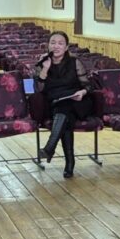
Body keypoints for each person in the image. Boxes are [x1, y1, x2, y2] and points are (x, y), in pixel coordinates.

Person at [34, 30, 93, 178]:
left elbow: (88, 86)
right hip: (54, 103)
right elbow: (39, 88)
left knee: (64, 109)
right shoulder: (43, 63)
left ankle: (50, 148)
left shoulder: (74, 62)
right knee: (65, 117)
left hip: (76, 101)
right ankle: (68, 162)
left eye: (60, 43)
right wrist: (45, 68)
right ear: (48, 45)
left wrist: (82, 92)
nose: (56, 46)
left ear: (66, 47)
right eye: (53, 43)